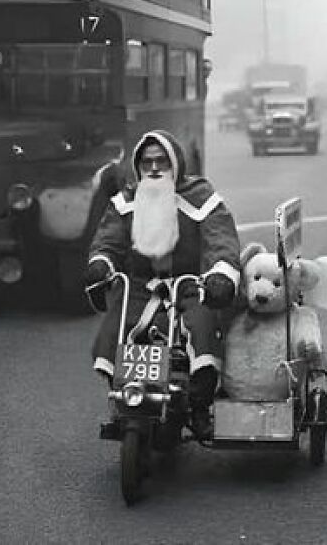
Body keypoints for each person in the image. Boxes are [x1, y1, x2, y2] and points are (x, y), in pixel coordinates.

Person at [85, 129, 241, 439]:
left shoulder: (202, 198)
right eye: (147, 163)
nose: (154, 169)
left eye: (162, 162)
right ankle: (123, 398)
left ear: (175, 164)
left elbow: (220, 242)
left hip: (191, 285)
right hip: (141, 286)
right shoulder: (125, 202)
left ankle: (198, 407)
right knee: (114, 326)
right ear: (138, 167)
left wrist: (220, 275)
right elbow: (108, 240)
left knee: (203, 326)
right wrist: (101, 263)